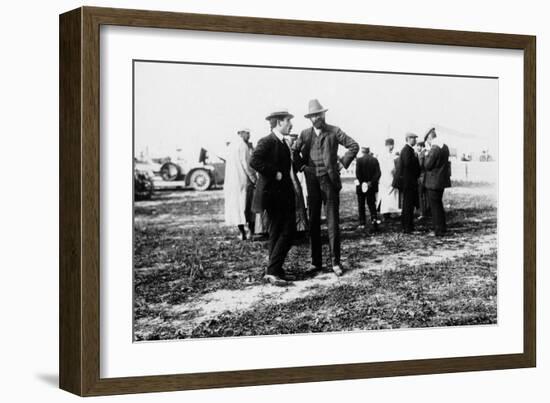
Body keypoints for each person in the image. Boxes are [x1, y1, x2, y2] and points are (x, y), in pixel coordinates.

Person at [292, 99, 359, 276]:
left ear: (324, 115)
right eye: (313, 115)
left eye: (319, 114)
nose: (317, 117)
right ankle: (316, 263)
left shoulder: (334, 131)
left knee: (332, 223)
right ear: (309, 118)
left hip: (329, 182)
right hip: (312, 183)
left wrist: (341, 163)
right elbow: (293, 152)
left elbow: (353, 146)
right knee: (313, 222)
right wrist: (302, 167)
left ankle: (335, 262)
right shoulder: (304, 134)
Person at [250, 109, 296, 286]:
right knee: (288, 232)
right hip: (273, 195)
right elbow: (254, 161)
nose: (290, 124)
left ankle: (275, 270)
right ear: (278, 123)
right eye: (287, 121)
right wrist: (274, 172)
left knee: (276, 232)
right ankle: (273, 270)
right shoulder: (268, 141)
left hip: (282, 194)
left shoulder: (282, 142)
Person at [224, 128, 257, 240]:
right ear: (241, 133)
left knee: (237, 208)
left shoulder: (231, 146)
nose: (249, 136)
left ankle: (242, 232)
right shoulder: (243, 146)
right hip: (243, 181)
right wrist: (254, 179)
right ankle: (250, 232)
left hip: (232, 183)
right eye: (248, 133)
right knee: (248, 207)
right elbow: (247, 165)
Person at [423, 128, 451, 236]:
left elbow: (427, 165)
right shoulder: (445, 147)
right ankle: (442, 228)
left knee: (435, 206)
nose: (428, 143)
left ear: (430, 138)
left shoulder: (434, 149)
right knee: (438, 204)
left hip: (433, 181)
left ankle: (438, 230)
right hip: (442, 180)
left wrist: (426, 154)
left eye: (427, 141)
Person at [394, 133, 421, 233]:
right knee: (408, 205)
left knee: (408, 205)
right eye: (413, 138)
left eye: (415, 138)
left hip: (409, 182)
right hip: (408, 182)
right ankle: (408, 227)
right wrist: (417, 171)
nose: (415, 140)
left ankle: (407, 226)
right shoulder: (407, 150)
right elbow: (408, 165)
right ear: (408, 139)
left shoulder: (409, 150)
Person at [286, 133, 309, 235]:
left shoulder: (290, 152)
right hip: (293, 179)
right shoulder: (292, 153)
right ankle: (299, 227)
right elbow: (298, 167)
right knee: (298, 202)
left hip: (292, 178)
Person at [355, 147, 381, 232]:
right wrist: (371, 182)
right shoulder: (374, 160)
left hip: (361, 185)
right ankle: (374, 219)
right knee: (371, 204)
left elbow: (358, 174)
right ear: (369, 151)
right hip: (371, 186)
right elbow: (378, 173)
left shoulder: (359, 160)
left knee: (361, 204)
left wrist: (363, 182)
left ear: (362, 152)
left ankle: (362, 222)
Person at [378, 138, 400, 218]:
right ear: (390, 145)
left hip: (383, 178)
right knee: (389, 196)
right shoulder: (388, 155)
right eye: (392, 145)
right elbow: (391, 168)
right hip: (389, 177)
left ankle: (386, 212)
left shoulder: (382, 154)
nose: (393, 147)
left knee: (385, 196)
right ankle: (388, 212)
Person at [415, 141, 430, 218]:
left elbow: (420, 166)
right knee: (427, 195)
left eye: (418, 146)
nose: (417, 148)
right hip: (427, 177)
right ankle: (428, 211)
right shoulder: (427, 153)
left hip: (421, 177)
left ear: (421, 146)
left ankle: (422, 213)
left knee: (420, 195)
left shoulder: (421, 154)